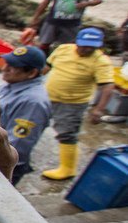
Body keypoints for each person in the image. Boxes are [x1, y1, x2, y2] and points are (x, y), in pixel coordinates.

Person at [41, 28, 115, 180]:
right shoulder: (63, 49)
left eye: (92, 46)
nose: (87, 49)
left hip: (72, 103)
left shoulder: (101, 62)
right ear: (76, 42)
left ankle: (67, 168)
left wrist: (98, 110)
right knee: (31, 123)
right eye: (84, 45)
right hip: (47, 96)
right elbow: (47, 67)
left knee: (67, 134)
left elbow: (107, 87)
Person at [0, 46, 51, 185]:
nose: (4, 69)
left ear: (31, 73)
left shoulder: (33, 102)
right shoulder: (9, 86)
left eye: (12, 67)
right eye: (6, 64)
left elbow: (17, 146)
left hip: (2, 164)